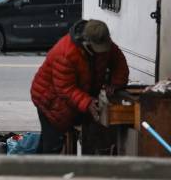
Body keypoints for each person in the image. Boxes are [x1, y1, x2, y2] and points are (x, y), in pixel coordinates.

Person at [30, 19, 129, 154]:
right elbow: (65, 88)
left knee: (50, 142)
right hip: (50, 99)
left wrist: (116, 84)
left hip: (75, 97)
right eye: (98, 49)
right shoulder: (65, 53)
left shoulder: (103, 42)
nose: (102, 52)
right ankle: (44, 172)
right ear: (86, 43)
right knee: (53, 144)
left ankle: (36, 168)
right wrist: (87, 102)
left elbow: (119, 62)